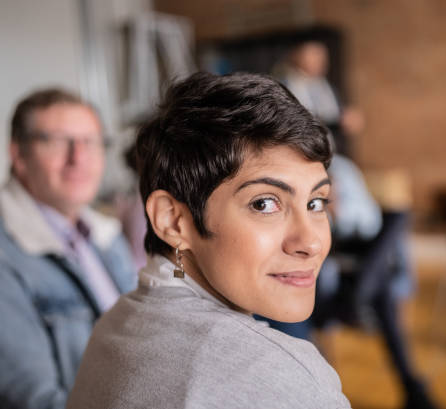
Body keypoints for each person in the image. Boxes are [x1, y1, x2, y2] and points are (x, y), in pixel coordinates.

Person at [66, 71, 351, 409]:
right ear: (173, 221)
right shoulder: (285, 378)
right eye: (264, 203)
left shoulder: (115, 324)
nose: (311, 242)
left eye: (316, 203)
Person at [271, 40, 441, 409]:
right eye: (313, 56)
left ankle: (362, 292)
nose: (319, 63)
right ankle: (411, 384)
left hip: (361, 245)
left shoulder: (343, 167)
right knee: (380, 289)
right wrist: (320, 205)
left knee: (397, 219)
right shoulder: (293, 175)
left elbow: (368, 219)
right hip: (335, 246)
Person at [0, 89, 136, 408]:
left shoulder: (106, 236)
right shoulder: (6, 255)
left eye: (90, 141)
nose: (78, 158)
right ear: (19, 155)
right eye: (58, 142)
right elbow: (36, 400)